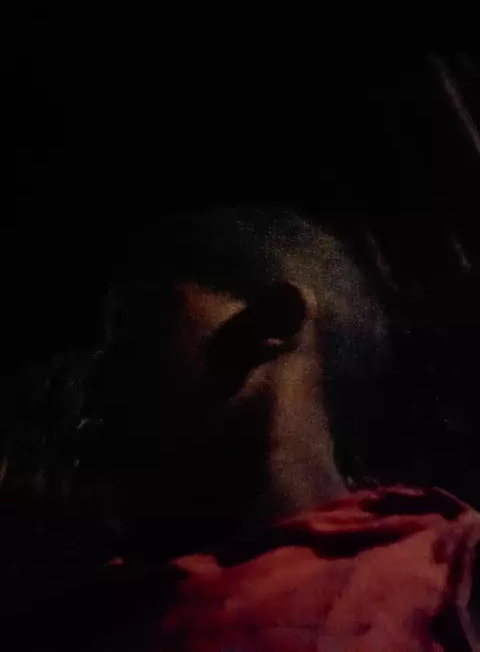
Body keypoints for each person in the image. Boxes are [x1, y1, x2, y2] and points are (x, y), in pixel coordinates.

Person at [1, 205, 480, 650]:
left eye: (132, 338)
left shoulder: (455, 571)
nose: (102, 384)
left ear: (275, 321)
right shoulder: (96, 608)